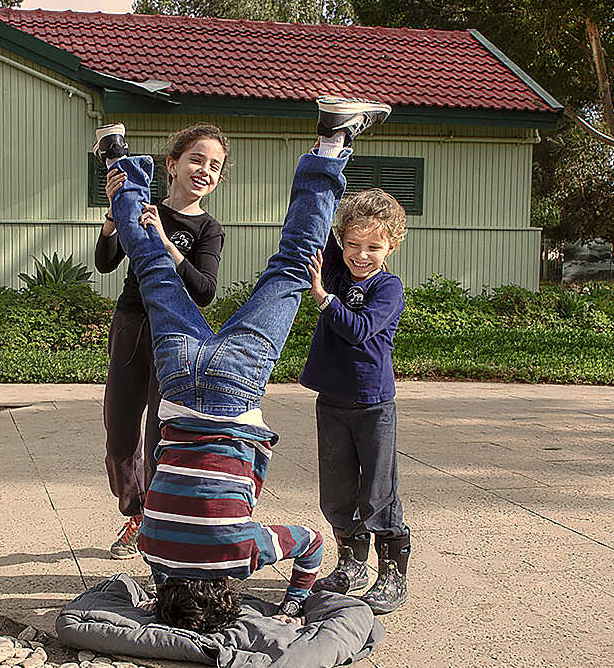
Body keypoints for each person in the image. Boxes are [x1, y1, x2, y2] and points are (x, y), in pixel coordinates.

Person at [95, 96, 391, 631]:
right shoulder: (154, 549)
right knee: (152, 260)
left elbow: (310, 545)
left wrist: (294, 603)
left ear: (228, 595)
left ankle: (332, 141)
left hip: (236, 386)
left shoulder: (242, 553)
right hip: (180, 378)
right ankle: (117, 159)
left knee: (294, 262)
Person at [94, 125, 227, 559]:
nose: (203, 170)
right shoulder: (143, 206)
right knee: (119, 432)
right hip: (133, 325)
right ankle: (133, 508)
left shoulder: (208, 229)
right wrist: (116, 215)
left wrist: (168, 245)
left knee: (159, 434)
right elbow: (106, 261)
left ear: (218, 178)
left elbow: (205, 290)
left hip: (176, 335)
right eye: (196, 159)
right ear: (172, 164)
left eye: (214, 165)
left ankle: (152, 518)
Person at [303, 190, 412, 613]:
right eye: (351, 244)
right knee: (337, 489)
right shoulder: (336, 271)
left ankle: (392, 575)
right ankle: (352, 563)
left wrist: (323, 298)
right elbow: (320, 213)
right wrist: (329, 158)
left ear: (391, 247)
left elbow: (358, 329)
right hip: (332, 402)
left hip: (373, 406)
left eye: (373, 247)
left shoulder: (388, 289)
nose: (360, 255)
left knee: (378, 492)